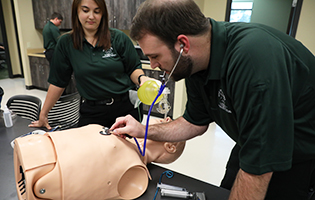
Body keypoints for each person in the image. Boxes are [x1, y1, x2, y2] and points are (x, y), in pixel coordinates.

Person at [110, 0, 315, 199]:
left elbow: (260, 165)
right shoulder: (196, 64)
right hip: (251, 142)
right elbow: (194, 123)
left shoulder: (253, 61)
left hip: (300, 156)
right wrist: (143, 130)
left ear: (183, 44)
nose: (152, 65)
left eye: (155, 56)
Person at [30, 0, 151, 130]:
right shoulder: (66, 43)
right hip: (92, 111)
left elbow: (133, 68)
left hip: (124, 109)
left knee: (126, 149)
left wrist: (141, 79)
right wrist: (43, 114)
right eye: (86, 10)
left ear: (103, 14)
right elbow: (58, 82)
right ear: (76, 12)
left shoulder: (118, 38)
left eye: (97, 11)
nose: (91, 16)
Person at [14, 118, 185, 200]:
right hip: (34, 150)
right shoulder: (121, 139)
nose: (167, 119)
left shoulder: (135, 171)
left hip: (38, 176)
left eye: (166, 122)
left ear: (170, 146)